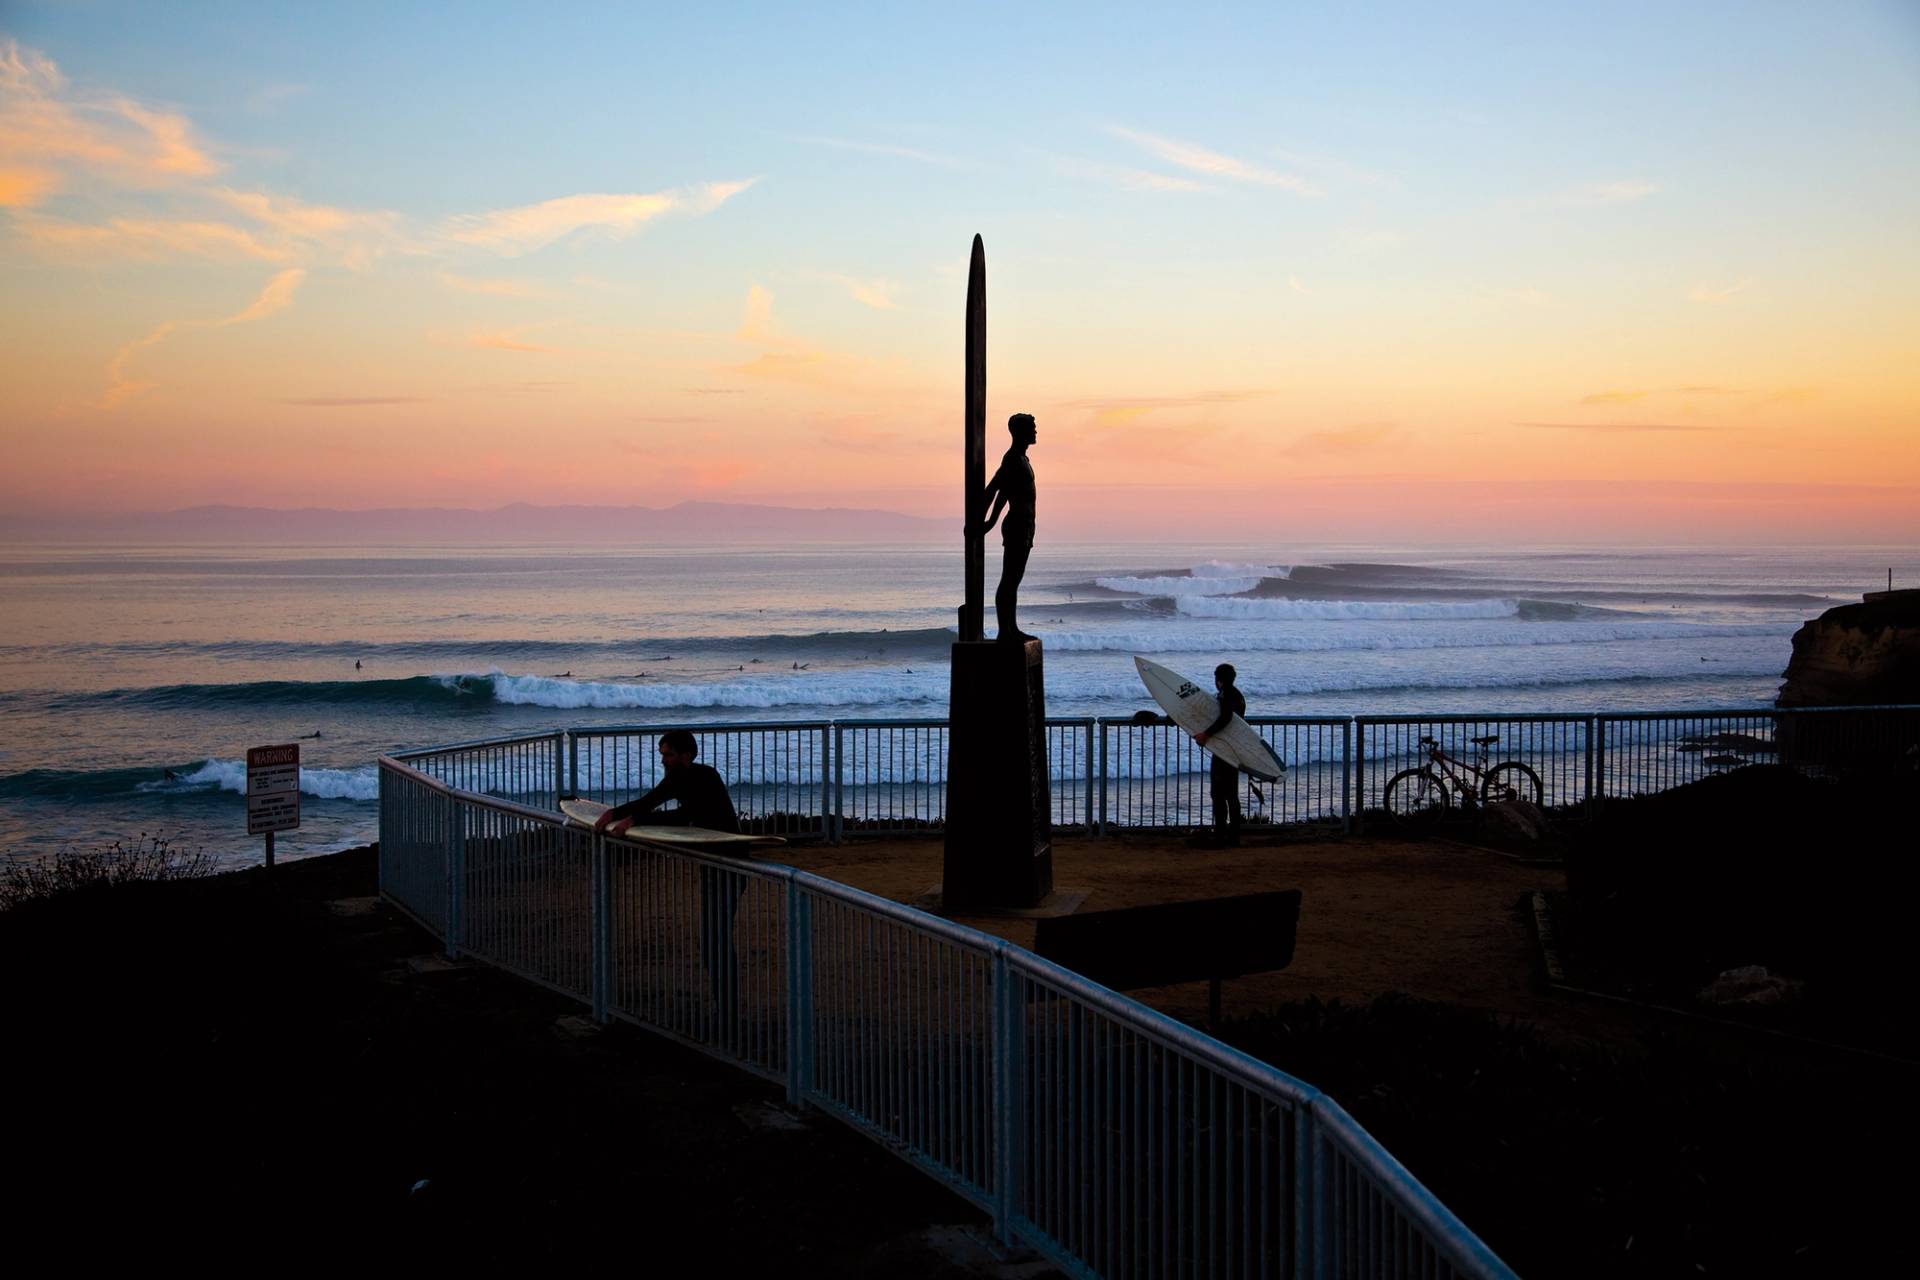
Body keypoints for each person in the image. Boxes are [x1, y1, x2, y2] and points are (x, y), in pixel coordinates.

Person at [594, 730, 744, 1021]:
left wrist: (634, 820)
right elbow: (650, 801)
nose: (663, 759)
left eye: (669, 754)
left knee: (717, 941)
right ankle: (725, 1011)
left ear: (686, 755)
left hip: (733, 864)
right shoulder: (676, 777)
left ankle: (729, 1014)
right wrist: (611, 814)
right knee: (712, 940)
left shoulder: (705, 777)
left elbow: (683, 816)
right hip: (713, 863)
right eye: (662, 754)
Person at [970, 412, 1038, 643]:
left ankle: (1012, 627)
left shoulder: (1022, 459)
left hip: (1026, 527)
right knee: (1008, 579)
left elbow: (1004, 491)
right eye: (1032, 427)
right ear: (1019, 432)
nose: (1035, 431)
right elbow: (997, 489)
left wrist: (990, 520)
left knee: (1015, 580)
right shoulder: (1012, 459)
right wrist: (986, 521)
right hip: (1017, 526)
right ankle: (1004, 630)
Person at [1194, 663, 1246, 847]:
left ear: (1219, 679)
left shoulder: (1226, 695)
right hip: (1233, 749)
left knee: (1219, 794)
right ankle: (1233, 837)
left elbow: (1225, 718)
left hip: (1224, 750)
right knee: (1231, 795)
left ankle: (1221, 836)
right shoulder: (1238, 696)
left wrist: (1206, 734)